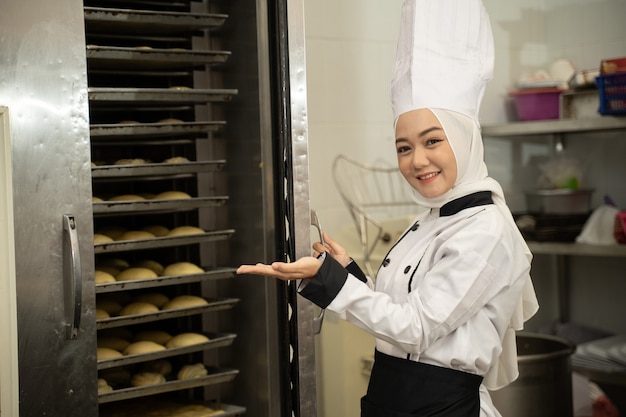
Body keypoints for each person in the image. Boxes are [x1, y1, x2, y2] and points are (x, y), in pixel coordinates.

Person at [237, 0, 539, 416]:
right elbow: (409, 309)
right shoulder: (432, 219)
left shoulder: (485, 230)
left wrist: (327, 282)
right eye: (404, 147)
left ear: (465, 139)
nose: (417, 160)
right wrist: (348, 273)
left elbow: (415, 330)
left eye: (433, 140)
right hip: (392, 399)